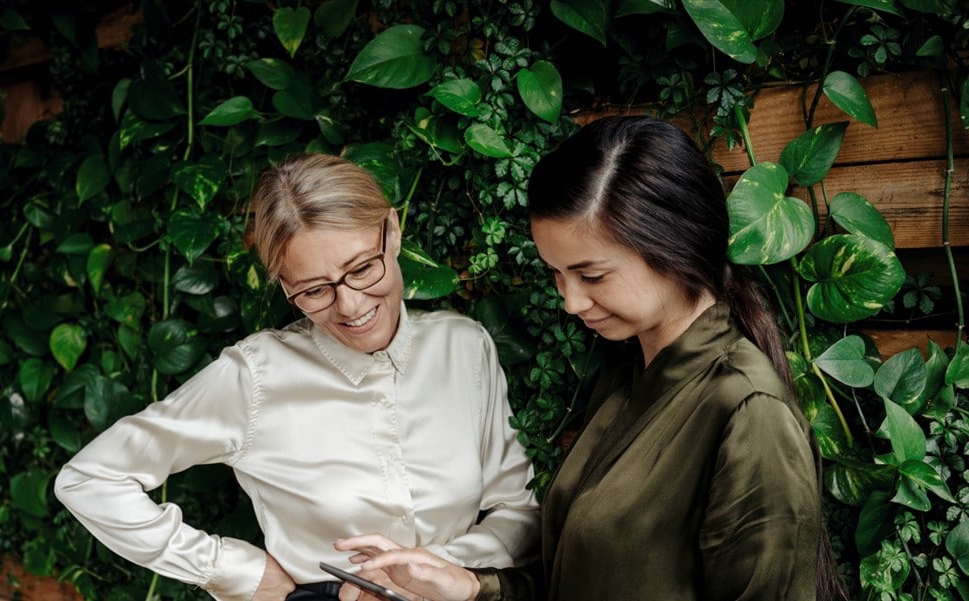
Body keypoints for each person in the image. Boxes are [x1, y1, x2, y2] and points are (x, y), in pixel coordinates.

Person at [334, 115, 843, 601]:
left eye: (592, 276)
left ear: (675, 246)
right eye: (557, 276)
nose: (571, 302)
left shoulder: (748, 411)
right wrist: (468, 587)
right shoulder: (627, 379)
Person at [53, 153, 540, 601]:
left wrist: (439, 569)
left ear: (392, 231)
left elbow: (519, 512)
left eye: (363, 268)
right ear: (285, 285)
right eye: (314, 291)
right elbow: (91, 479)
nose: (350, 306)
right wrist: (237, 570)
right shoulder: (255, 376)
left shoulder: (464, 345)